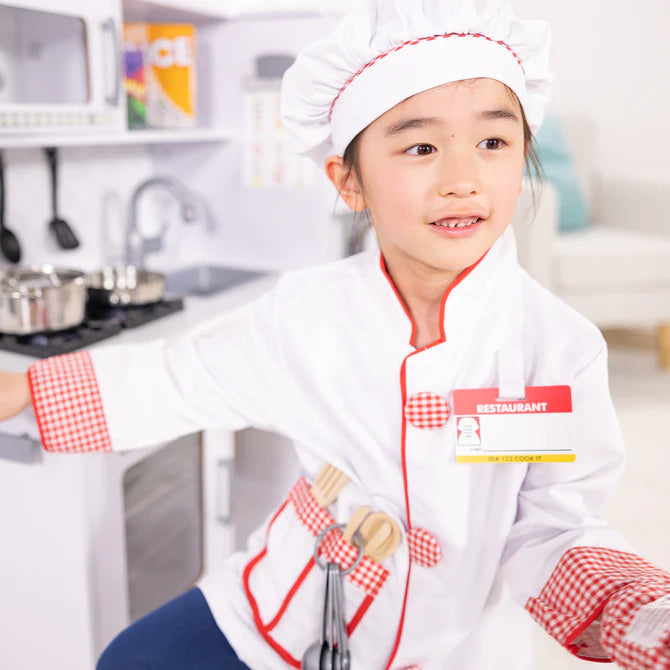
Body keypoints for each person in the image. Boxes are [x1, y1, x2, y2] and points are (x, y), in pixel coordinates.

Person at [2, 1, 670, 668]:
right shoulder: (307, 313)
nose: (463, 180)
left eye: (492, 143)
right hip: (286, 603)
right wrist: (28, 389)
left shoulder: (558, 349)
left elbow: (552, 528)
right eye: (421, 147)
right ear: (349, 181)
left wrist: (635, 610)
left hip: (454, 647)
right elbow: (176, 379)